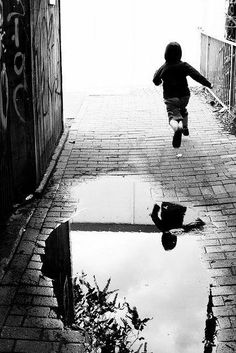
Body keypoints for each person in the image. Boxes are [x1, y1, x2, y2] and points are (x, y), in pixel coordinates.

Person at [153, 42, 213, 148]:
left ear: (166, 54)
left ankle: (177, 128)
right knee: (183, 109)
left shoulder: (164, 67)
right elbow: (196, 75)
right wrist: (208, 84)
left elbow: (155, 80)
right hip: (184, 96)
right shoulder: (184, 65)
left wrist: (159, 81)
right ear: (180, 53)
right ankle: (185, 128)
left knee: (173, 116)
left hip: (171, 98)